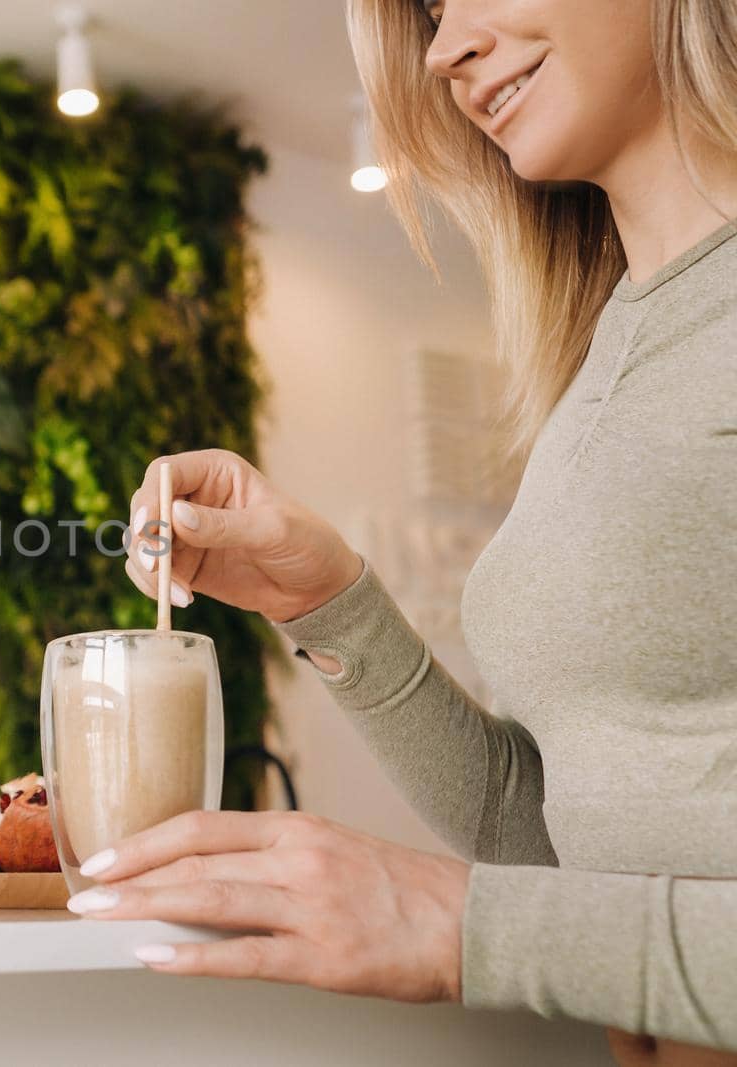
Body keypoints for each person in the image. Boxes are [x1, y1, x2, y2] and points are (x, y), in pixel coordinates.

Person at [80, 0, 737, 1062]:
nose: (443, 48)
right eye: (429, 11)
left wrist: (457, 924)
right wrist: (327, 599)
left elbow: (515, 917)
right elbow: (558, 843)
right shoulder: (609, 348)